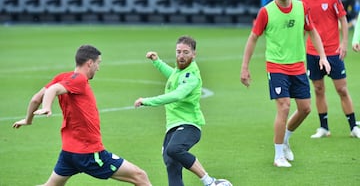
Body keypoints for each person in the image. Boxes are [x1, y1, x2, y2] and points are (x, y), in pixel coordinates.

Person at [12, 45, 152, 186]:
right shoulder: (78, 80)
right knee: (140, 176)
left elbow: (36, 98)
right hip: (89, 152)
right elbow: (53, 90)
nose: (98, 68)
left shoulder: (62, 77)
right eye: (98, 63)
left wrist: (28, 120)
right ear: (90, 63)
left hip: (69, 152)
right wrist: (47, 107)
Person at [240, 0, 331, 167]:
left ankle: (286, 138)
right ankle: (278, 155)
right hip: (276, 66)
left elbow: (312, 30)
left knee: (305, 109)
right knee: (284, 106)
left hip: (298, 66)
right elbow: (253, 38)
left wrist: (323, 57)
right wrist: (244, 67)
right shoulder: (266, 12)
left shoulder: (301, 7)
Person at [134, 36, 220, 186]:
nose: (181, 55)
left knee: (174, 149)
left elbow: (177, 94)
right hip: (173, 126)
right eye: (178, 51)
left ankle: (209, 181)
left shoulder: (192, 75)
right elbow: (173, 75)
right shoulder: (180, 72)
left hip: (189, 125)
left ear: (194, 54)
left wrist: (147, 101)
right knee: (171, 164)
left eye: (186, 52)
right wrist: (157, 62)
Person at [302, 0, 360, 138]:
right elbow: (303, 27)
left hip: (333, 52)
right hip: (313, 53)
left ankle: (353, 127)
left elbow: (343, 19)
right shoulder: (304, 2)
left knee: (342, 89)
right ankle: (324, 128)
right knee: (318, 90)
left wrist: (344, 43)